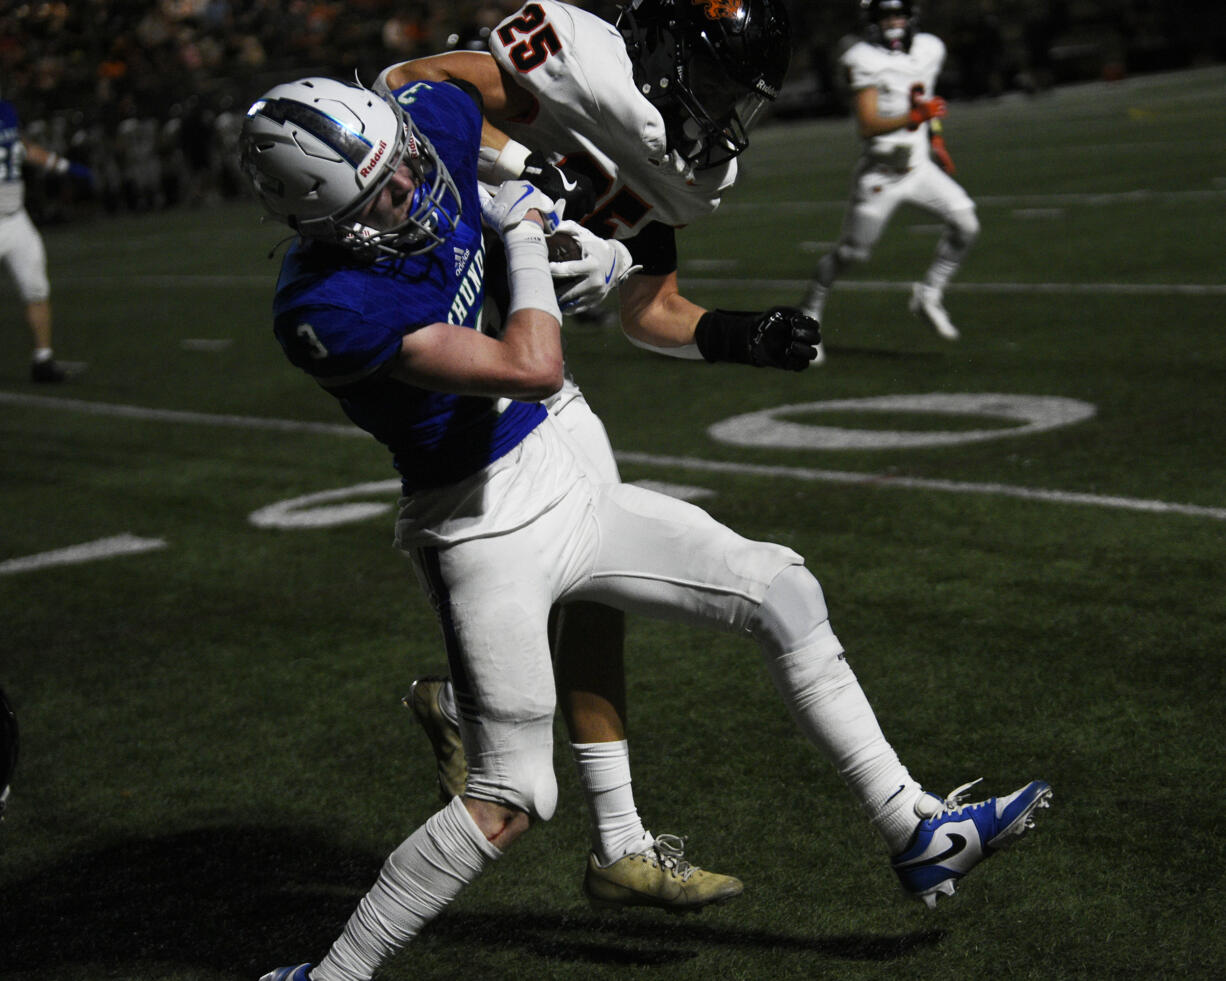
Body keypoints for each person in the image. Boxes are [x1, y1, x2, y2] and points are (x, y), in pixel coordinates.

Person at [241, 74, 1051, 981]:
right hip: (480, 524)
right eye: (385, 193)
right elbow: (531, 362)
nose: (415, 188)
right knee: (513, 797)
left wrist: (541, 197)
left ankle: (913, 824)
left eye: (407, 162)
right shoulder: (325, 309)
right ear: (326, 222)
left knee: (781, 586)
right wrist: (521, 231)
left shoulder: (418, 124)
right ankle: (334, 974)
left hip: (565, 469)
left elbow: (444, 82)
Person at [377, 0, 822, 911]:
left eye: (736, 92)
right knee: (557, 645)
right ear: (662, 51)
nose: (720, 107)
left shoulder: (661, 158)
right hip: (455, 354)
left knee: (597, 591)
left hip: (538, 375)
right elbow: (402, 91)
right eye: (712, 79)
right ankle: (482, 736)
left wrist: (745, 334)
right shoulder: (571, 73)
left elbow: (648, 310)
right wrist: (514, 178)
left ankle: (617, 843)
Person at [799, 0, 979, 363]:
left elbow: (924, 99)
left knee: (967, 224)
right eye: (885, 16)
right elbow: (868, 124)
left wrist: (937, 140)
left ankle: (928, 295)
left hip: (918, 167)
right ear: (872, 22)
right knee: (852, 254)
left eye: (898, 15)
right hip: (881, 175)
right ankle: (806, 317)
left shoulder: (930, 48)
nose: (893, 23)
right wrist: (914, 117)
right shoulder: (862, 58)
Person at [0, 94, 92, 382]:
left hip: (15, 217)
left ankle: (43, 360)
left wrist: (65, 167)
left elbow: (25, 148)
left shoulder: (6, 110)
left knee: (37, 289)